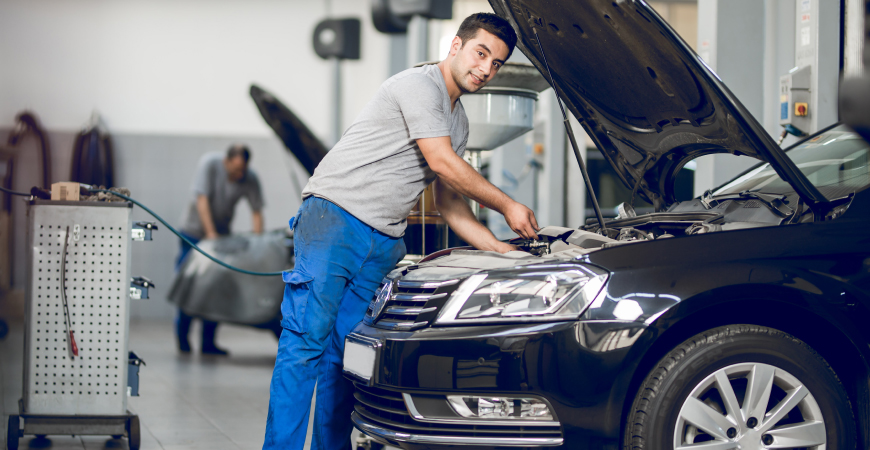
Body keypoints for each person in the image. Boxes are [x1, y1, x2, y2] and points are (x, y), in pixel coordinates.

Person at [263, 13, 538, 449]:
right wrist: (507, 204)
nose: (486, 69)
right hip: (334, 218)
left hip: (384, 241)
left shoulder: (459, 122)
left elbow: (449, 202)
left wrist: (503, 250)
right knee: (305, 345)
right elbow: (441, 162)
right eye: (481, 54)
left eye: (497, 63)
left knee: (347, 358)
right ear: (455, 46)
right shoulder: (418, 86)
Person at [176, 144, 265, 355]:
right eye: (235, 171)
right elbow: (202, 200)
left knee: (215, 290)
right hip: (193, 233)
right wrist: (210, 234)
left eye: (242, 170)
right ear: (226, 161)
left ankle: (208, 343)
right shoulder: (209, 164)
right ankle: (183, 339)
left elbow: (257, 211)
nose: (239, 175)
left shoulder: (249, 177)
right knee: (189, 287)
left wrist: (258, 243)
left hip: (221, 236)